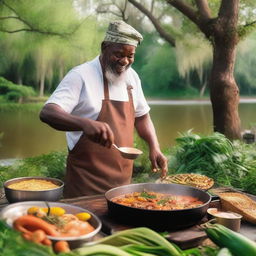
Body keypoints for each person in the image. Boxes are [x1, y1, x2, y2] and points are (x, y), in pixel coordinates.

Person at [40, 20, 168, 198]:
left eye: (130, 55)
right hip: (84, 188)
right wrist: (84, 124)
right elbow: (48, 112)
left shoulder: (132, 77)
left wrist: (155, 147)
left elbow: (142, 116)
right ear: (104, 47)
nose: (124, 61)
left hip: (122, 189)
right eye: (118, 53)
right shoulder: (81, 75)